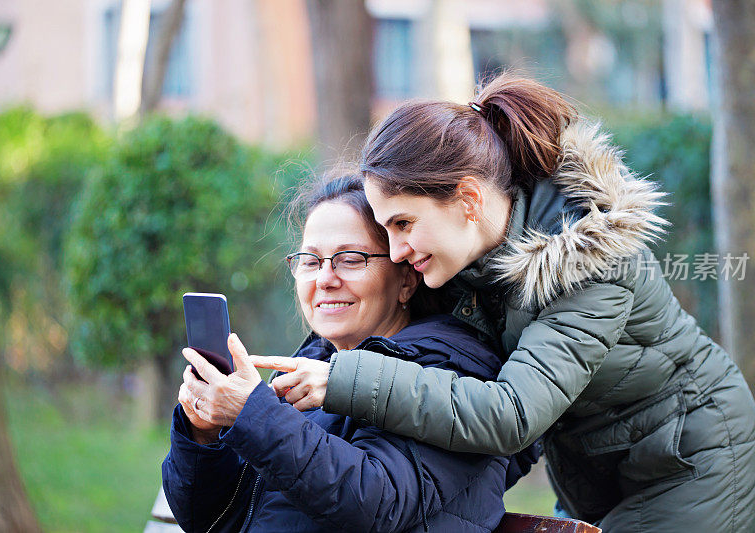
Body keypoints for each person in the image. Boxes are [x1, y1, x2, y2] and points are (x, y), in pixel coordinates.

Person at [252, 75, 755, 531]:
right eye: (385, 230)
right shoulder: (459, 263)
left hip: (695, 462)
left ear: (470, 200)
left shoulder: (590, 262)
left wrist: (343, 378)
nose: (394, 251)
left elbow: (512, 412)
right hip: (599, 468)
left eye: (403, 224)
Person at [162, 175, 529, 533]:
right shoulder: (311, 365)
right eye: (309, 260)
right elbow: (208, 519)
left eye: (350, 259)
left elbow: (375, 503)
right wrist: (202, 434)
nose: (324, 279)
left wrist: (252, 413)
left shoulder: (449, 371)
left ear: (406, 279)